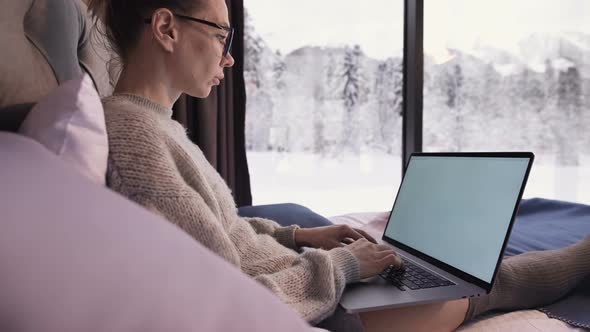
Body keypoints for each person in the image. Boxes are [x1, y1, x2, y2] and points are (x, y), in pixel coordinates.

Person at [87, 0, 590, 330]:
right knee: (483, 285)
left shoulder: (153, 126)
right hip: (311, 309)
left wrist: (300, 236)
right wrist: (345, 265)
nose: (229, 57)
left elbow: (218, 231)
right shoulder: (137, 139)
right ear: (166, 27)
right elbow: (225, 300)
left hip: (306, 276)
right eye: (221, 34)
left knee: (435, 269)